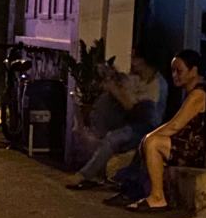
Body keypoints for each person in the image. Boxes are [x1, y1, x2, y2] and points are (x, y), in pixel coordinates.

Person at [66, 50, 168, 190]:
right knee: (106, 106)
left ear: (143, 61)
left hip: (146, 128)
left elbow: (134, 108)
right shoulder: (139, 79)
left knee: (113, 138)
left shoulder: (157, 85)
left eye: (134, 58)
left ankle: (85, 175)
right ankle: (96, 172)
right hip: (132, 122)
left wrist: (115, 90)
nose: (131, 62)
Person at [123, 49, 206, 212]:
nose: (175, 75)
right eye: (173, 71)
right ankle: (133, 189)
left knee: (152, 143)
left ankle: (157, 197)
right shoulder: (191, 92)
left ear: (194, 71)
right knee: (147, 142)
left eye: (179, 71)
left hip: (193, 149)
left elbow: (176, 125)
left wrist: (150, 138)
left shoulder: (198, 94)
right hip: (185, 144)